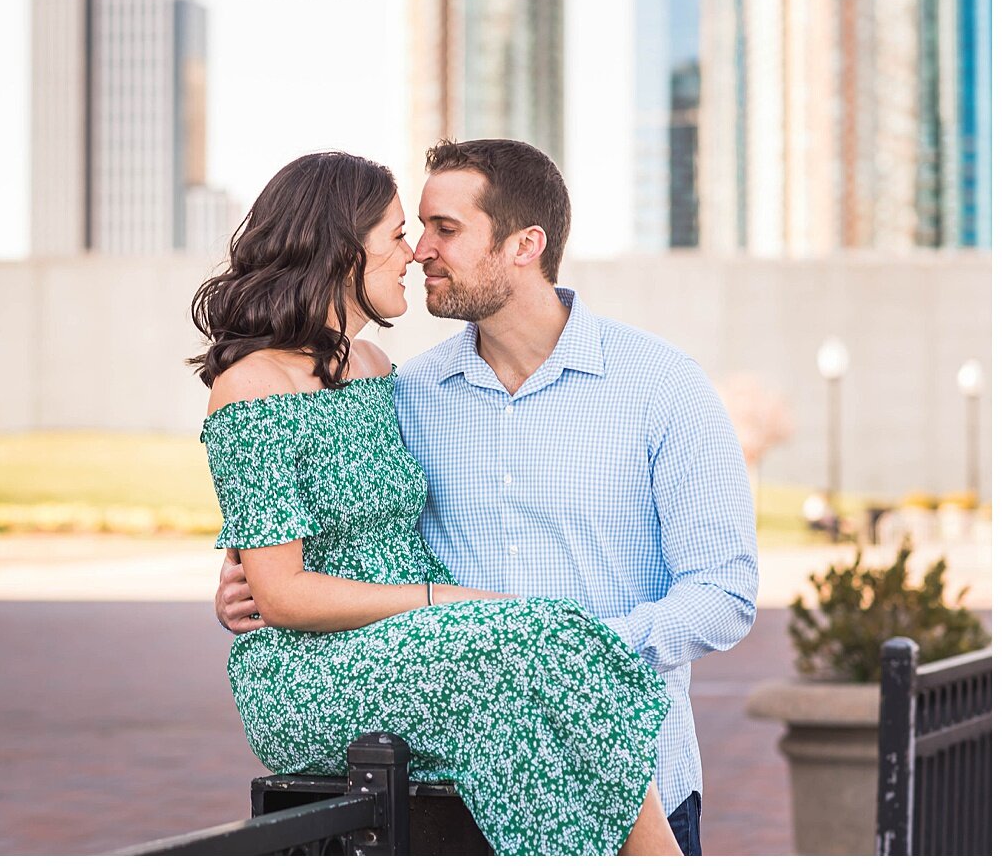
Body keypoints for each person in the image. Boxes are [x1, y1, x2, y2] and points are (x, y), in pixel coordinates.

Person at [214, 139, 759, 856]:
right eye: (412, 229)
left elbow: (725, 592)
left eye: (445, 229)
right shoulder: (407, 392)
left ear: (524, 245)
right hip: (454, 786)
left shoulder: (663, 387)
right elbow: (310, 520)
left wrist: (571, 650)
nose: (420, 252)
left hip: (635, 773)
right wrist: (238, 584)